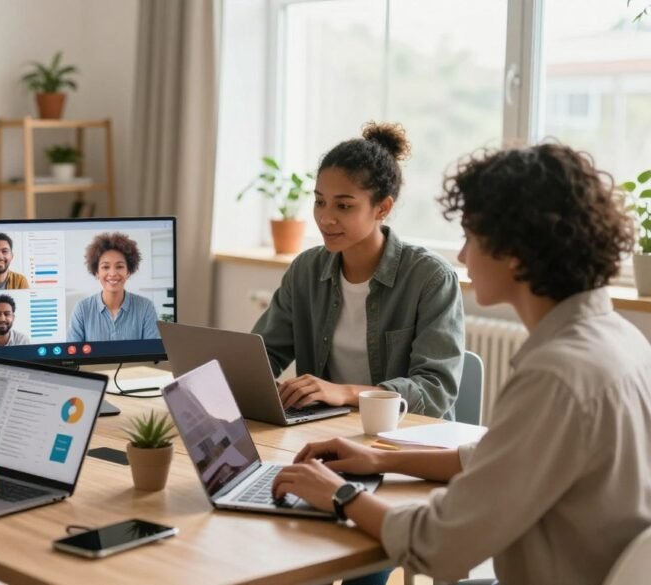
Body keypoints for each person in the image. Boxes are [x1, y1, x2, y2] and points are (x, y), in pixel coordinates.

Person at [272, 143, 651, 585]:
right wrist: (378, 459)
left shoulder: (556, 376)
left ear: (514, 250)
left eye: (470, 236)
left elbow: (437, 543)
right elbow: (499, 458)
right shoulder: (621, 339)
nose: (462, 256)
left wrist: (338, 494)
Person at [252, 122, 464, 419]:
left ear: (382, 208)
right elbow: (263, 355)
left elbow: (434, 391)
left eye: (344, 206)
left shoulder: (430, 278)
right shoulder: (306, 270)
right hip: (326, 432)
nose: (325, 218)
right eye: (320, 202)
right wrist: (257, 385)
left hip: (405, 439)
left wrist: (346, 393)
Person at [67, 232, 160, 342]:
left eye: (119, 266)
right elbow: (73, 354)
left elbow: (153, 355)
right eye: (105, 267)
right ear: (96, 272)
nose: (112, 273)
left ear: (128, 271)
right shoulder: (82, 309)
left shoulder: (145, 308)